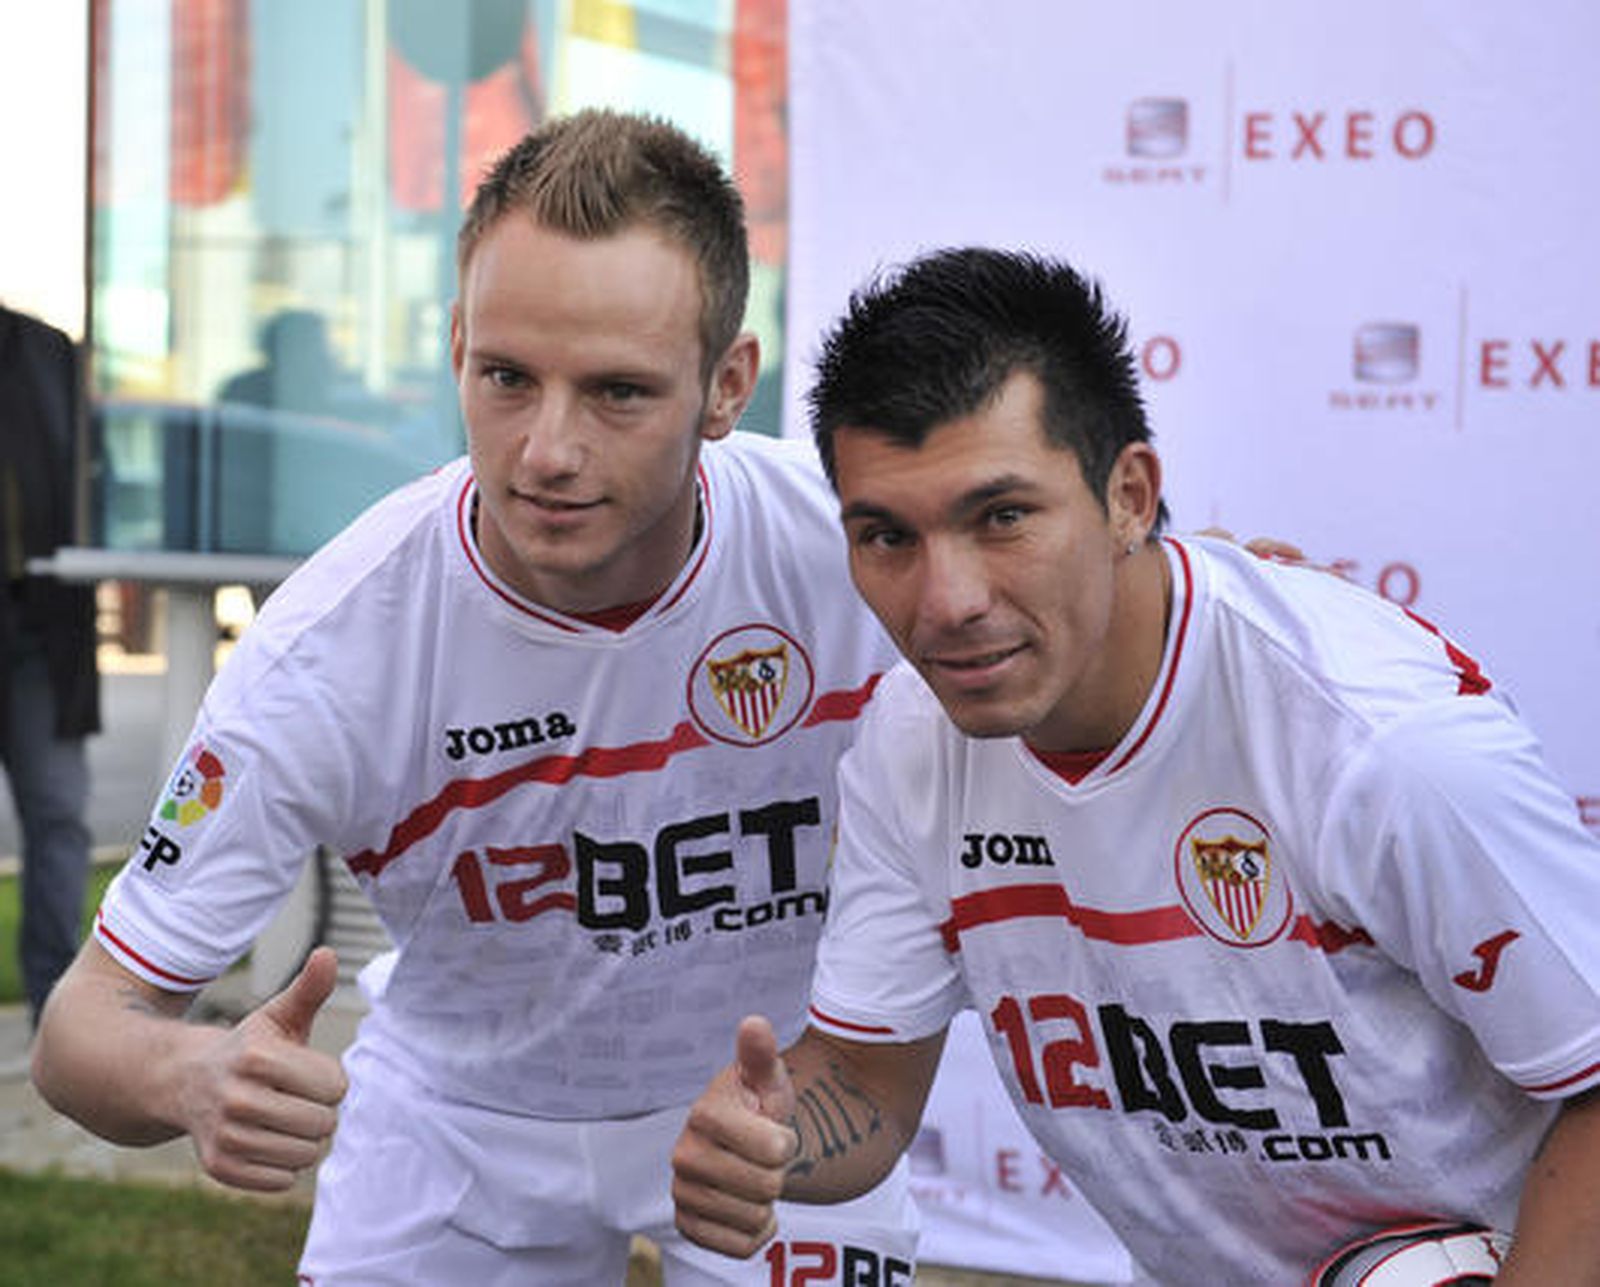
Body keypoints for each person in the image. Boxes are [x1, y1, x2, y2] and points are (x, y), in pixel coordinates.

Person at [31, 110, 918, 1284]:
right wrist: (192, 1077)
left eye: (616, 393)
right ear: (456, 345)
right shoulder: (334, 642)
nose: (545, 450)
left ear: (727, 385)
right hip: (458, 1121)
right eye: (506, 376)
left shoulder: (856, 549)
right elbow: (75, 1033)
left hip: (777, 1110)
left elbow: (1102, 615)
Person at [670, 248, 1600, 1284]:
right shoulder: (907, 740)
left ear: (1127, 494)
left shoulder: (1382, 745)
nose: (945, 602)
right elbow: (866, 1085)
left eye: (1002, 517)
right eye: (886, 535)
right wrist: (767, 1141)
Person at [0, 303, 100, 1028]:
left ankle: (58, 1011)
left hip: (40, 623)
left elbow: (96, 476)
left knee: (59, 815)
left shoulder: (44, 350)